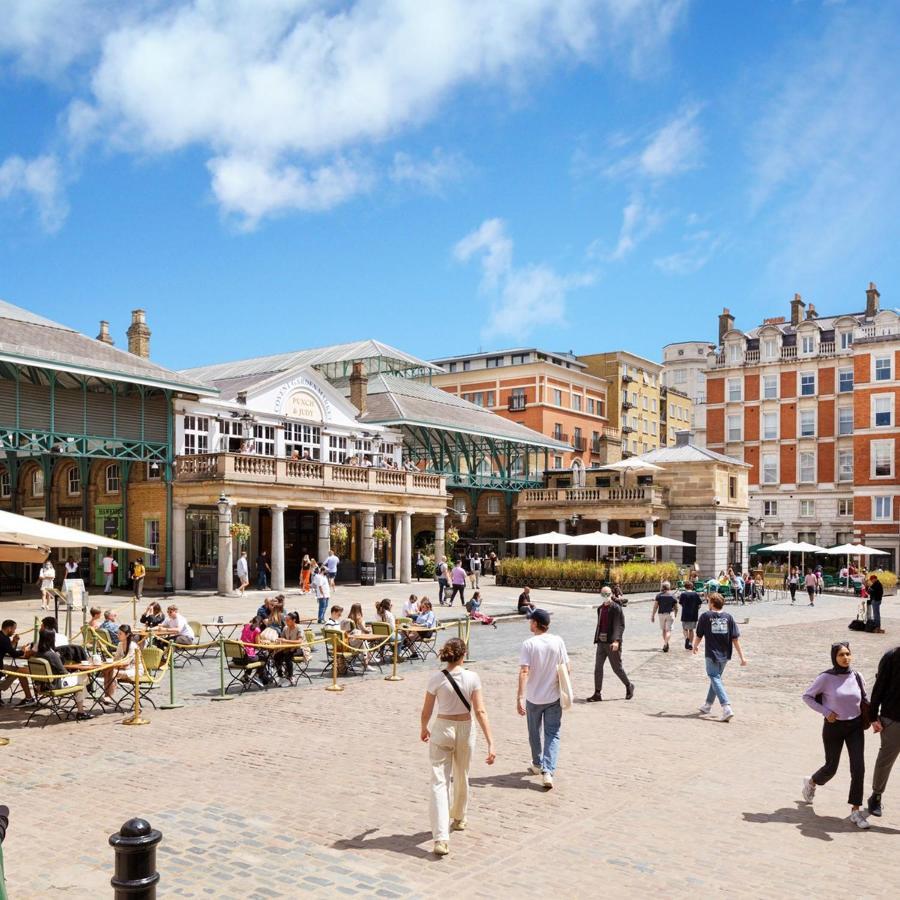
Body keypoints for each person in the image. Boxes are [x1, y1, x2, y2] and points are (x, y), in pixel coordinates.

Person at [421, 637, 496, 857]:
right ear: (463, 655)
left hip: (443, 726)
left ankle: (441, 837)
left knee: (439, 781)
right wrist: (491, 741)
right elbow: (480, 711)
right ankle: (460, 816)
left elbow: (426, 710)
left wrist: (424, 727)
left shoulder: (436, 679)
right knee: (462, 773)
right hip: (465, 727)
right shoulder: (472, 677)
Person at [802, 642, 871, 829]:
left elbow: (865, 699)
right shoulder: (826, 678)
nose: (845, 658)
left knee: (859, 768)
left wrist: (874, 719)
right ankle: (811, 782)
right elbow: (807, 696)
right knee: (831, 767)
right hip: (834, 727)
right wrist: (825, 712)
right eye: (841, 654)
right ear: (834, 657)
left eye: (848, 654)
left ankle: (856, 811)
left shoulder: (857, 676)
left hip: (855, 727)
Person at [518, 609, 569, 790]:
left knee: (534, 732)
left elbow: (524, 671)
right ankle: (548, 771)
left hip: (533, 696)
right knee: (552, 733)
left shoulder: (529, 644)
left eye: (530, 621)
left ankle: (538, 764)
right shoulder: (558, 641)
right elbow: (566, 668)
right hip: (553, 695)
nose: (529, 623)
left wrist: (520, 696)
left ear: (535, 623)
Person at [693, 592, 747, 721]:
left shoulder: (705, 616)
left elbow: (699, 634)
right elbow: (735, 639)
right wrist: (742, 657)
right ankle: (707, 705)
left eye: (708, 601)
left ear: (712, 603)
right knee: (716, 679)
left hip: (711, 653)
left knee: (714, 677)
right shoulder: (729, 617)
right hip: (725, 654)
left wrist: (695, 645)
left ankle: (726, 706)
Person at [867, 641, 900, 817]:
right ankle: (876, 796)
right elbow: (879, 688)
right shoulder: (892, 657)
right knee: (886, 760)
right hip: (893, 719)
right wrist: (873, 716)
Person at [32, 629, 93, 720]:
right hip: (55, 685)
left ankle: (81, 706)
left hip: (42, 685)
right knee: (82, 677)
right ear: (51, 640)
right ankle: (81, 710)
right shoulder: (51, 655)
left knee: (80, 679)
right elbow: (63, 672)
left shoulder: (37, 654)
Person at [585, 586, 633, 702]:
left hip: (612, 643)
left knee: (617, 668)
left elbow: (619, 625)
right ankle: (597, 693)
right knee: (598, 668)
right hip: (601, 642)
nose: (605, 596)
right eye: (603, 594)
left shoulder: (616, 608)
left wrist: (617, 641)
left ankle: (629, 685)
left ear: (611, 594)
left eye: (607, 594)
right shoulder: (600, 608)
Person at [0, 619, 35, 706]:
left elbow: (8, 649)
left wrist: (14, 642)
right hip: (0, 667)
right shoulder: (4, 639)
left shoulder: (3, 637)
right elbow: (14, 654)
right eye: (14, 629)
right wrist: (23, 651)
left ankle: (2, 687)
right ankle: (2, 687)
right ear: (9, 628)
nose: (14, 631)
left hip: (1, 665)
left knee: (18, 670)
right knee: (19, 671)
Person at [101, 624, 137, 705]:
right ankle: (107, 695)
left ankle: (109, 696)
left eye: (120, 633)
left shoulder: (132, 645)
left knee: (113, 671)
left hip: (134, 670)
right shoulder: (120, 644)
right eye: (118, 633)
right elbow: (116, 658)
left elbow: (127, 662)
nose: (118, 635)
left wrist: (115, 664)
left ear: (127, 635)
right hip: (124, 668)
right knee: (107, 670)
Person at [651, 581, 678, 652]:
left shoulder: (659, 596)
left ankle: (666, 643)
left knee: (663, 630)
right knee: (668, 630)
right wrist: (676, 614)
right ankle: (666, 643)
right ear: (669, 587)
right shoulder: (672, 596)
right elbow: (676, 607)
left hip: (661, 614)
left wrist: (653, 615)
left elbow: (655, 607)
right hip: (670, 613)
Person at [679, 581, 703, 651]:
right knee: (691, 630)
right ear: (692, 587)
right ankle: (690, 643)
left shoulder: (683, 594)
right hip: (693, 614)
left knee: (685, 629)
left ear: (685, 587)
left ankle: (686, 638)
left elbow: (680, 603)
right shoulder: (695, 594)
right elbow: (699, 604)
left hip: (685, 614)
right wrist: (696, 608)